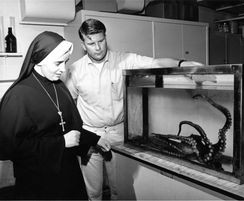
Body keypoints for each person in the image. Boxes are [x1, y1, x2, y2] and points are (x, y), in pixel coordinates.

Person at [65, 18, 203, 200]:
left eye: (101, 41)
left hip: (118, 134)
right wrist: (81, 137)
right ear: (83, 44)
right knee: (93, 193)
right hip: (90, 134)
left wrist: (182, 64)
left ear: (106, 37)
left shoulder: (125, 60)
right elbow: (68, 107)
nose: (97, 48)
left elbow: (155, 63)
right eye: (91, 43)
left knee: (119, 190)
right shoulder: (75, 70)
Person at [0, 31, 111, 200]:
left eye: (65, 62)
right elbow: (8, 148)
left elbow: (67, 127)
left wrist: (95, 139)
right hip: (38, 183)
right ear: (39, 60)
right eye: (58, 63)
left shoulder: (58, 86)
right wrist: (61, 143)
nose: (63, 69)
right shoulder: (18, 96)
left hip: (68, 175)